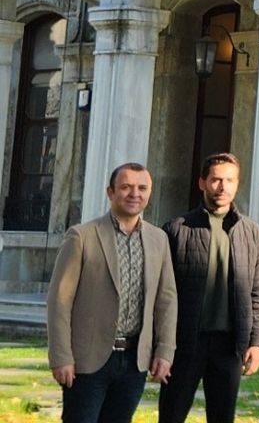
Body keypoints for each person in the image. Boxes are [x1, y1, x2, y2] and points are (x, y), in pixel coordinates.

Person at [46, 162, 178, 423]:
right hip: (87, 360)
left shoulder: (158, 239)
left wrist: (165, 351)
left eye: (142, 188)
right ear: (110, 192)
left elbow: (167, 300)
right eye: (126, 187)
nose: (134, 194)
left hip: (134, 361)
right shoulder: (82, 236)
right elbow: (59, 301)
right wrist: (61, 356)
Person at [159, 152, 259, 423]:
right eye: (216, 180)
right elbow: (162, 294)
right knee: (171, 415)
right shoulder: (176, 229)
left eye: (230, 180)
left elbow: (257, 293)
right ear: (202, 183)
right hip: (185, 343)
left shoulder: (251, 232)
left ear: (237, 184)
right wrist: (160, 345)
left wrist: (257, 342)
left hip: (229, 344)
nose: (222, 187)